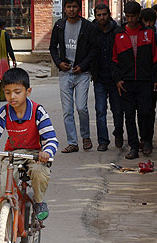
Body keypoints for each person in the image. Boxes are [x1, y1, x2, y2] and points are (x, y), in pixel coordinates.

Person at [0, 68, 59, 221]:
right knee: (0, 190)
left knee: (39, 173)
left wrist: (47, 152)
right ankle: (0, 239)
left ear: (28, 91)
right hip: (12, 155)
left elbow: (51, 139)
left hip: (35, 154)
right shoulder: (3, 112)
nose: (12, 97)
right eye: (7, 92)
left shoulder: (38, 111)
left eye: (17, 92)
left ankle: (39, 202)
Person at [111, 1, 157, 159]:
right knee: (129, 115)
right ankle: (134, 147)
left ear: (139, 16)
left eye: (133, 16)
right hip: (126, 82)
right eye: (127, 16)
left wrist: (154, 78)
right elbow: (114, 60)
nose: (130, 19)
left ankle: (146, 140)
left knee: (146, 112)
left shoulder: (149, 33)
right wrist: (117, 79)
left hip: (145, 81)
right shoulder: (118, 34)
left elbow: (155, 58)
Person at [49, 0, 96, 153]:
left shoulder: (88, 27)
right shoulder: (59, 26)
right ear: (65, 9)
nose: (71, 9)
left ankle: (86, 136)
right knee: (67, 110)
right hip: (65, 73)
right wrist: (59, 63)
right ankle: (72, 142)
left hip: (82, 73)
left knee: (82, 107)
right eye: (69, 7)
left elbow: (93, 50)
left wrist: (83, 65)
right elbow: (53, 48)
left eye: (74, 6)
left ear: (79, 8)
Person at [90, 4, 124, 151]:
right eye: (99, 15)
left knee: (117, 110)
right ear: (95, 16)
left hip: (115, 78)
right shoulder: (93, 31)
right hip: (99, 78)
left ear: (109, 14)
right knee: (100, 110)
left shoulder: (117, 31)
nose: (101, 18)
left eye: (104, 14)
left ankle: (118, 133)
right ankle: (103, 141)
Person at [139, 8, 157, 152]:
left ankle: (147, 139)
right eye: (147, 21)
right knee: (145, 111)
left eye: (152, 21)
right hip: (144, 79)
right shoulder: (141, 36)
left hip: (152, 78)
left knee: (149, 111)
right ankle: (145, 139)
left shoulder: (154, 36)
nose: (149, 24)